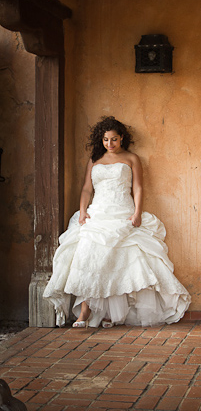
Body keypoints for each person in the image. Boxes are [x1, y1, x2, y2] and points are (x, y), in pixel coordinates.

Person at [44, 116, 190, 328]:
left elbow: (138, 188)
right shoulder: (94, 160)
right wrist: (83, 211)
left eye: (113, 139)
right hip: (98, 213)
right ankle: (85, 310)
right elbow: (87, 189)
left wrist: (137, 213)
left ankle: (109, 314)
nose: (109, 144)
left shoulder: (132, 159)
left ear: (122, 138)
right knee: (88, 255)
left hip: (123, 212)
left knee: (117, 260)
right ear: (100, 140)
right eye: (105, 140)